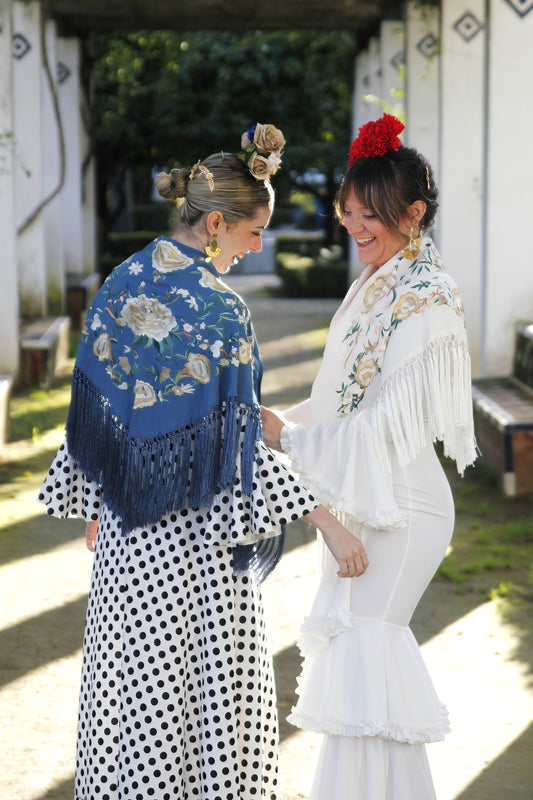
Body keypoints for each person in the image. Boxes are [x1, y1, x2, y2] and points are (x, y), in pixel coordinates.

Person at [38, 123, 368, 800]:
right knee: (206, 704)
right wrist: (328, 522)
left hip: (128, 547)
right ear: (216, 223)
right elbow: (239, 444)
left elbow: (98, 413)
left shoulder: (121, 282)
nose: (256, 247)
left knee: (135, 699)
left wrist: (103, 499)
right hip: (198, 551)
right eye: (253, 233)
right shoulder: (219, 310)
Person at [261, 113, 478, 800]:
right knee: (357, 673)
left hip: (404, 508)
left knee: (368, 655)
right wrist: (281, 422)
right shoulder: (374, 284)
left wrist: (288, 440)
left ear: (413, 214)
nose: (354, 227)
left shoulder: (427, 297)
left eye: (370, 215)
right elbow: (338, 401)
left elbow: (387, 427)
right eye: (347, 212)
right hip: (367, 497)